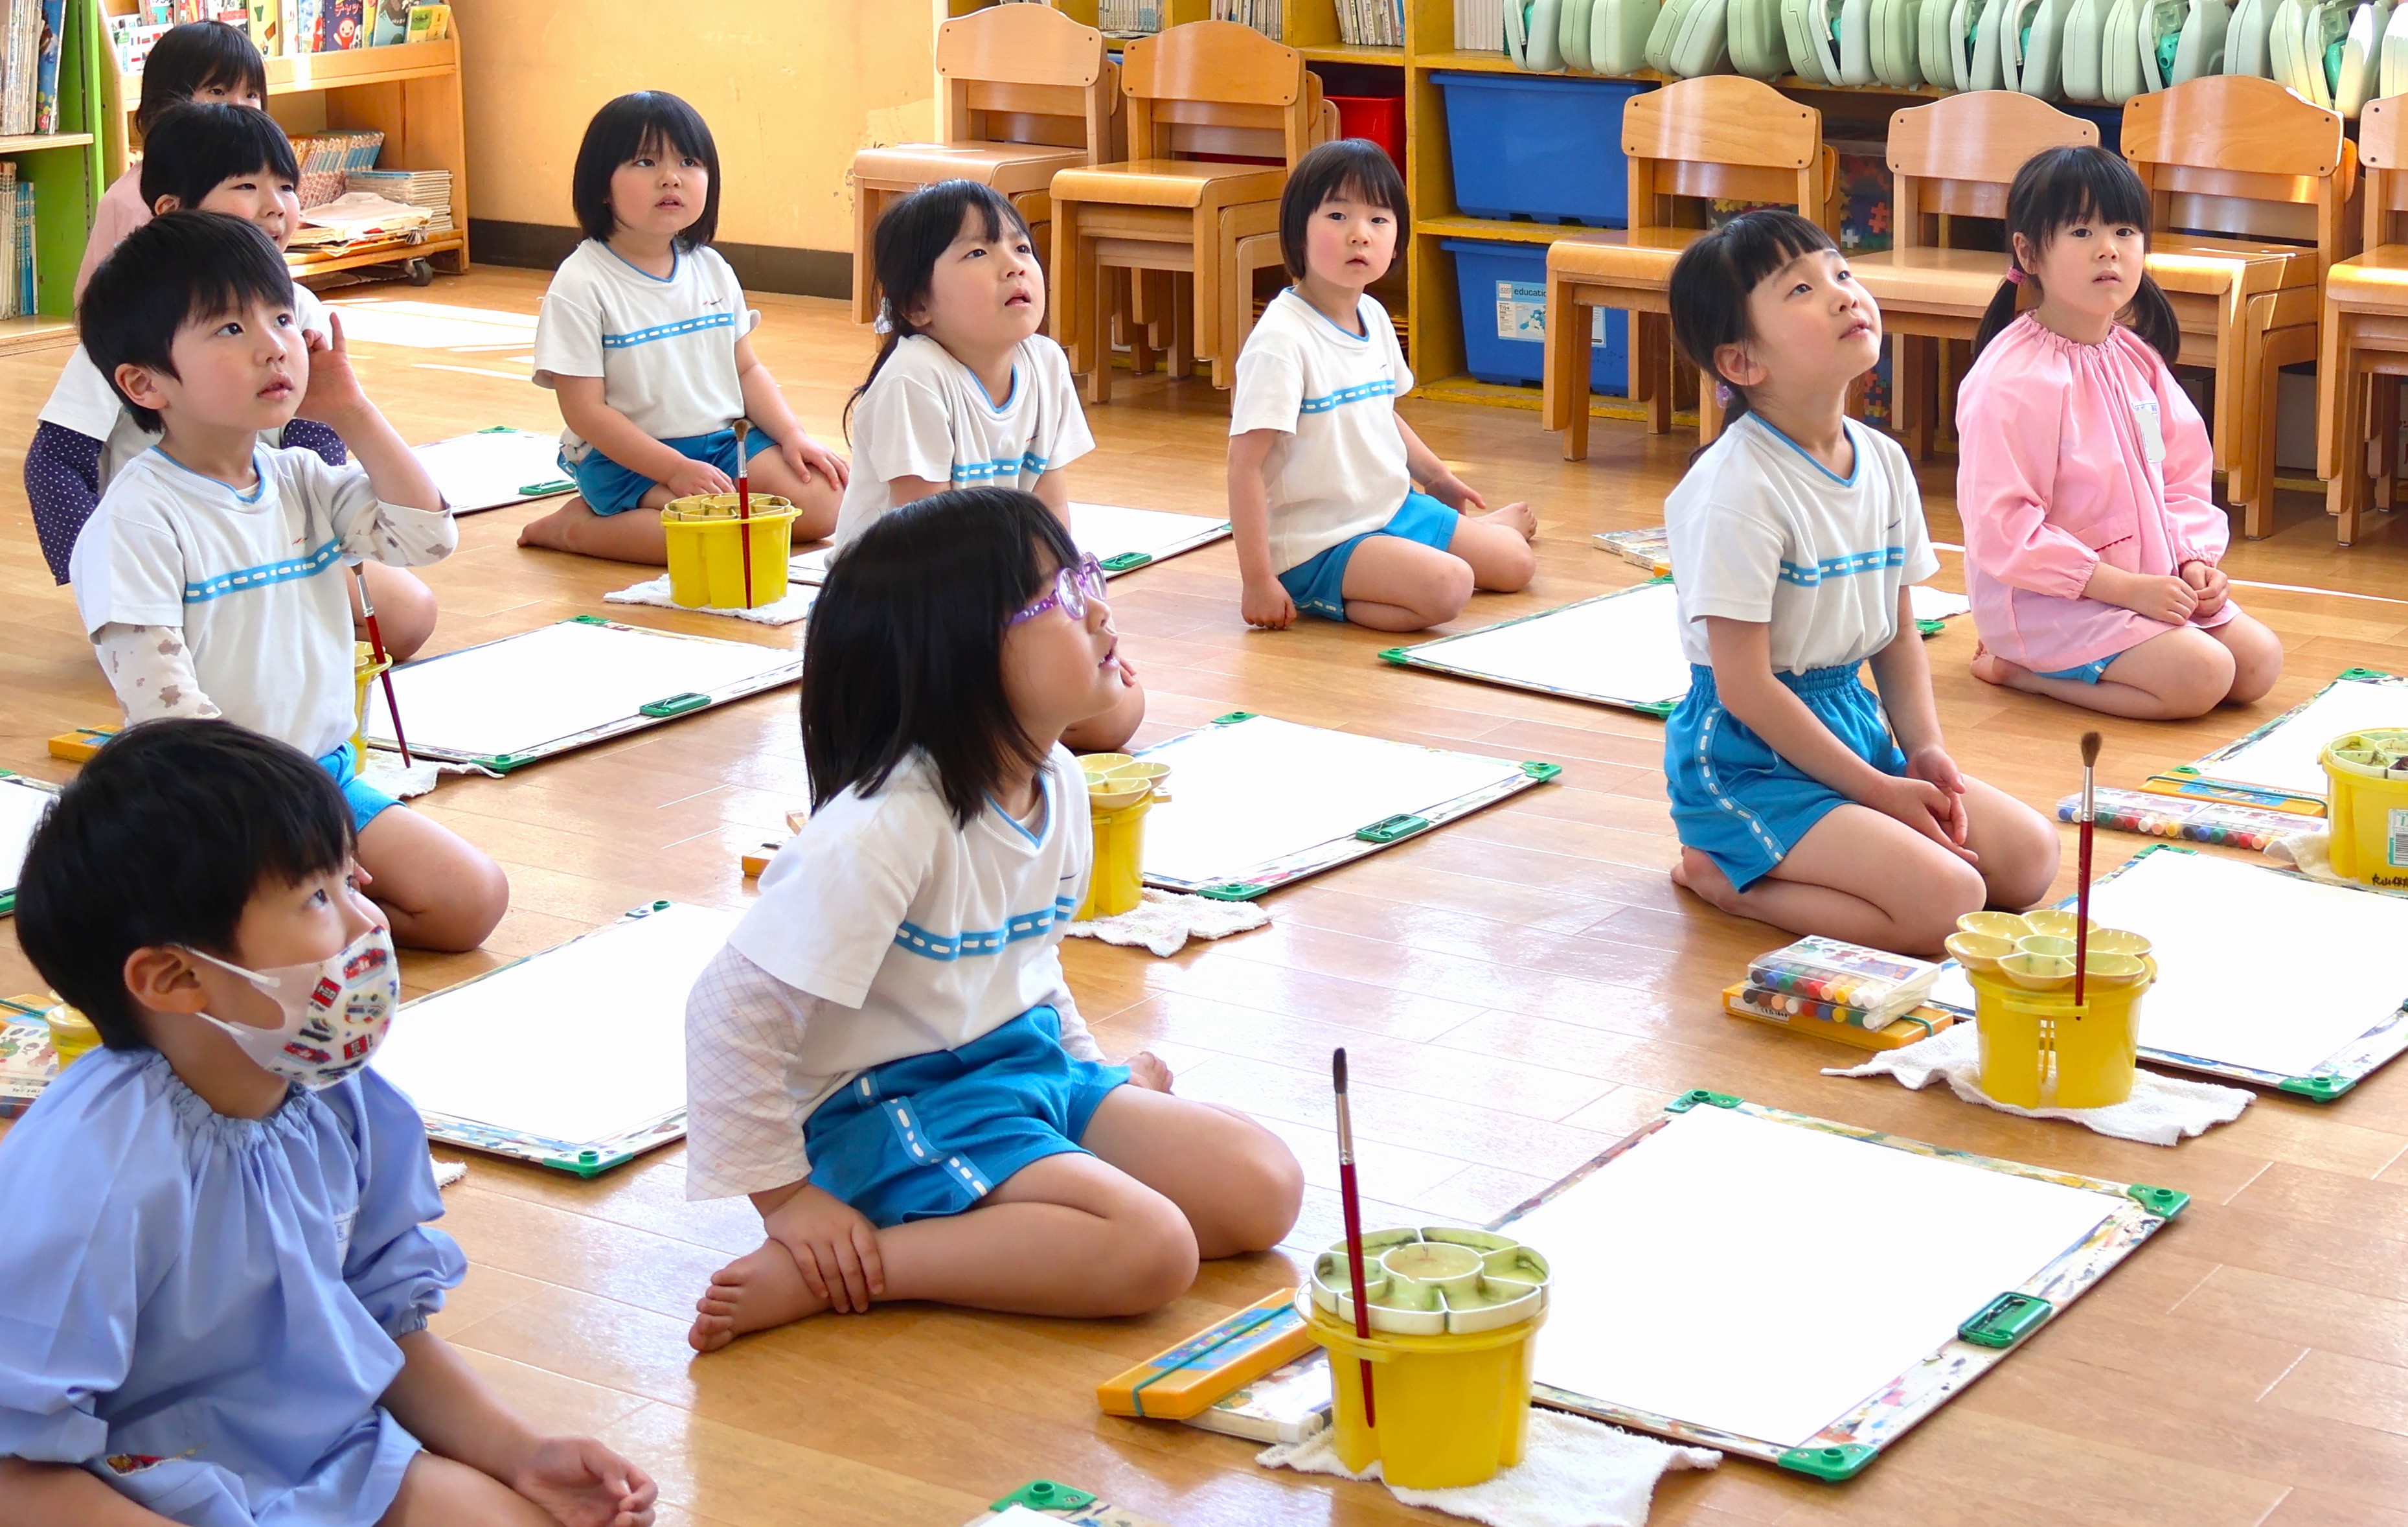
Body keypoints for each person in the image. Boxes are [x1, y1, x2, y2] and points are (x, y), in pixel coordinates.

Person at [681, 488, 1301, 1352]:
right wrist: (788, 1200)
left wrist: (1094, 1074)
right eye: (1060, 596)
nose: (1099, 607)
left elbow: (1027, 960)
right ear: (961, 656)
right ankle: (853, 1269)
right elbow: (726, 1013)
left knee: (1263, 1187)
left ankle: (1010, 1197)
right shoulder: (884, 827)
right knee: (1154, 1249)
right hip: (891, 1104)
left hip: (1019, 1066)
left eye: (1087, 577)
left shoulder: (1061, 781)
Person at [0, 718, 657, 1527]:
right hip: (125, 1488)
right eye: (317, 896)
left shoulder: (339, 1099)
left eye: (353, 881)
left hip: (325, 1456)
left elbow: (382, 1327)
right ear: (173, 976)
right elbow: (15, 1470)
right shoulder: (92, 1175)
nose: (369, 922)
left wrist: (523, 1452)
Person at [69, 211, 508, 952]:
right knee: (298, 930)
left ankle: (307, 916)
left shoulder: (301, 477)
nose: (273, 344)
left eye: (280, 316)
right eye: (229, 328)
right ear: (145, 382)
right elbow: (171, 719)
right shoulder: (137, 519)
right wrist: (295, 842)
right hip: (214, 802)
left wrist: (352, 411)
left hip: (324, 780)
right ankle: (266, 915)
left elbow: (427, 535)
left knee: (473, 900)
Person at [1659, 210, 2058, 956]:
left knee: (2029, 858)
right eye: (1801, 289)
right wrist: (1878, 792)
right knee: (1948, 904)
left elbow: (1897, 632)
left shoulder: (1881, 459)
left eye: (1840, 272)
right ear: (1742, 361)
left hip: (1850, 723)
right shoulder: (1734, 488)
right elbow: (1745, 688)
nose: (1844, 294)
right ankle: (1726, 878)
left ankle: (1835, 838)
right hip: (1747, 760)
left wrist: (1923, 748)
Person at [30, 104, 436, 658]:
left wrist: (351, 420)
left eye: (286, 186)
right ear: (172, 210)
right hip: (173, 540)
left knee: (410, 613)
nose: (276, 206)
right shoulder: (140, 320)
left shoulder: (302, 309)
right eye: (246, 185)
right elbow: (54, 460)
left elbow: (320, 445)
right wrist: (98, 572)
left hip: (274, 522)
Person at [1956, 145, 2282, 720]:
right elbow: (2005, 532)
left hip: (2147, 583)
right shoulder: (2013, 379)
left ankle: (2127, 639)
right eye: (2082, 231)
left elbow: (2179, 474)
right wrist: (2127, 590)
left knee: (2259, 664)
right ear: (2029, 253)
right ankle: (2022, 671)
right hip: (2046, 601)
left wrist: (2192, 561)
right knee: (2202, 676)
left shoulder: (2134, 359)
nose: (2108, 248)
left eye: (2124, 230)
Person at [835, 179, 1142, 752]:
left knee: (1118, 710)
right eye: (978, 252)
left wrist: (1078, 624)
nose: (1013, 264)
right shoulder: (914, 379)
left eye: (1021, 247)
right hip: (904, 619)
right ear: (917, 306)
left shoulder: (1045, 364)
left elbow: (1052, 521)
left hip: (996, 606)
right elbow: (928, 553)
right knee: (1031, 713)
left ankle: (1003, 722)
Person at [521, 91, 847, 562]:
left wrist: (793, 435)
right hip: (628, 458)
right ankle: (575, 528)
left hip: (722, 443)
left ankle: (685, 511)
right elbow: (585, 413)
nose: (670, 177)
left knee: (824, 506)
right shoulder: (581, 282)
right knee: (706, 539)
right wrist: (673, 469)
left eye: (689, 162)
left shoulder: (711, 267)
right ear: (601, 186)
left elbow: (746, 369)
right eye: (645, 162)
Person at [1228, 139, 1535, 632]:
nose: (1360, 235)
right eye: (1337, 216)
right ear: (1298, 233)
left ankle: (1459, 540)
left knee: (1517, 565)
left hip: (1391, 510)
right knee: (1451, 586)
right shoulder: (1281, 340)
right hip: (1320, 542)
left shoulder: (1372, 314)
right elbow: (1244, 464)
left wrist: (1437, 476)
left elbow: (1380, 413)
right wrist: (1258, 579)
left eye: (1378, 219)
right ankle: (1325, 592)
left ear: (1396, 241)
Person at [73, 19, 269, 302]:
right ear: (166, 101)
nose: (240, 108)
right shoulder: (137, 199)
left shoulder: (245, 181)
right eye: (217, 91)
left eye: (251, 94)